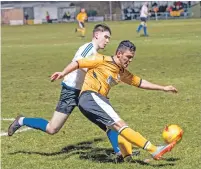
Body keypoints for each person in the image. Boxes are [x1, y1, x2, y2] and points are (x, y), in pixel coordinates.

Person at [8, 24, 124, 160]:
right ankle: (21, 120)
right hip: (70, 90)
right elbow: (80, 64)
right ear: (97, 35)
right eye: (106, 37)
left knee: (107, 121)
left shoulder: (97, 54)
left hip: (85, 93)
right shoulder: (88, 48)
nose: (108, 41)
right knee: (52, 128)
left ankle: (121, 153)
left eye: (109, 38)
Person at [50, 40, 178, 161]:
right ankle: (154, 150)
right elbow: (78, 63)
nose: (130, 60)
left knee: (115, 129)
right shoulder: (101, 59)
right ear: (119, 53)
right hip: (91, 96)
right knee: (119, 124)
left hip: (97, 100)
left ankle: (127, 157)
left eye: (132, 57)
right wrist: (63, 72)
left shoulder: (122, 72)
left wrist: (163, 88)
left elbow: (140, 82)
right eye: (128, 57)